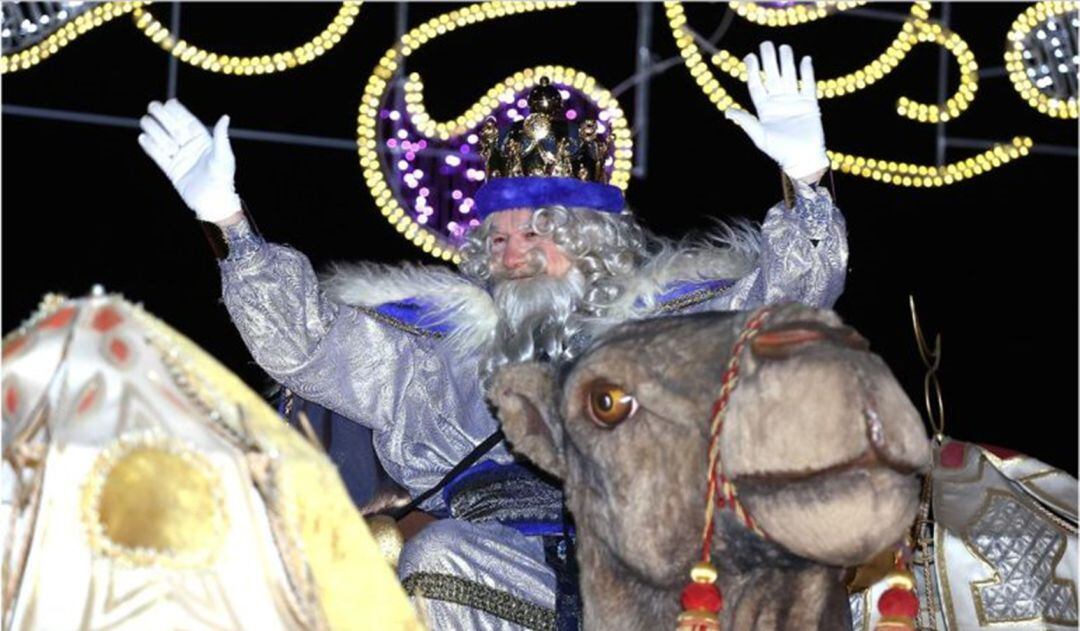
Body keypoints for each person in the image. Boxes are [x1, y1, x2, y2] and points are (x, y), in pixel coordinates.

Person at [138, 42, 845, 630]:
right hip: (499, 568)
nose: (512, 253)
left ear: (590, 241)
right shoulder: (434, 352)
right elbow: (304, 345)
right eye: (499, 238)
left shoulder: (669, 327)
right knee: (436, 555)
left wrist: (807, 178)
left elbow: (789, 300)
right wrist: (228, 222)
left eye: (536, 233)